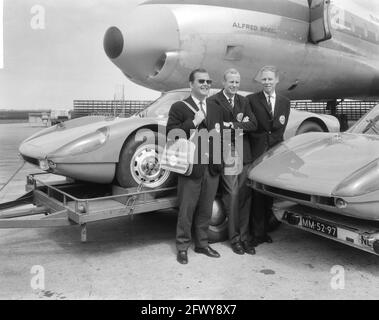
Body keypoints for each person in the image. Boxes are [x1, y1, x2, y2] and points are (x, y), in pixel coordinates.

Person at [166, 68, 224, 264]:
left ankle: (202, 244)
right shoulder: (179, 107)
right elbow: (172, 135)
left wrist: (220, 161)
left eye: (208, 81)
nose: (206, 84)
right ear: (191, 84)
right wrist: (193, 122)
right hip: (191, 167)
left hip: (212, 166)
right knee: (187, 209)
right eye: (201, 81)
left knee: (206, 209)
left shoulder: (215, 107)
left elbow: (219, 135)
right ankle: (182, 247)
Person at [208, 68, 257, 255]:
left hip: (244, 154)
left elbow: (253, 124)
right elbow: (215, 128)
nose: (234, 85)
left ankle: (245, 238)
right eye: (231, 82)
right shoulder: (213, 101)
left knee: (245, 196)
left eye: (237, 82)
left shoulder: (244, 101)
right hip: (227, 154)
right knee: (233, 195)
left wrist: (234, 125)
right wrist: (237, 126)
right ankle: (235, 239)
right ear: (224, 82)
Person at [246, 66, 290, 246]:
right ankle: (257, 234)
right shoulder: (251, 100)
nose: (267, 82)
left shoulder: (285, 102)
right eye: (264, 79)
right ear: (260, 81)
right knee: (257, 193)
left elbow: (280, 128)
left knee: (269, 193)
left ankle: (264, 231)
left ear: (276, 80)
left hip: (274, 153)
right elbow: (251, 126)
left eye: (270, 79)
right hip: (257, 152)